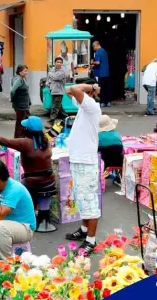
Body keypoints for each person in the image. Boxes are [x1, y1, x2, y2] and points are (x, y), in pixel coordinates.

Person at [0, 116, 55, 203]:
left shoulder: (24, 143)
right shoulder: (45, 141)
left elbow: (4, 141)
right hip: (49, 181)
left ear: (27, 129)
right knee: (44, 211)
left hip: (32, 183)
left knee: (15, 193)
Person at [64, 81, 102, 256]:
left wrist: (92, 88)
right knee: (81, 199)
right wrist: (90, 86)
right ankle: (84, 229)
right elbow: (68, 90)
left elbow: (73, 89)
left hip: (86, 162)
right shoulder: (82, 107)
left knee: (90, 203)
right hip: (78, 160)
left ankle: (91, 241)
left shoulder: (92, 107)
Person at [98, 115, 124, 184]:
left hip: (102, 162)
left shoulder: (98, 135)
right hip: (118, 161)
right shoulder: (117, 134)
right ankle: (120, 177)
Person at [10, 65, 31, 138]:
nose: (27, 73)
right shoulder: (18, 79)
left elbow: (26, 92)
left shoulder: (21, 78)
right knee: (20, 123)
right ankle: (18, 139)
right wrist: (13, 99)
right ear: (20, 72)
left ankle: (23, 137)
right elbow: (12, 91)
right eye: (25, 71)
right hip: (20, 105)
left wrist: (29, 101)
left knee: (25, 121)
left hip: (24, 105)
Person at [47, 57, 68, 127]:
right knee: (59, 108)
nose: (59, 63)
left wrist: (50, 74)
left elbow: (56, 77)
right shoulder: (52, 69)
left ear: (62, 64)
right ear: (54, 63)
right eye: (57, 62)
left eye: (60, 62)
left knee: (55, 107)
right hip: (53, 90)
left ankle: (51, 122)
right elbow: (49, 79)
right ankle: (67, 119)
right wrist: (48, 83)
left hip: (59, 91)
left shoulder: (63, 71)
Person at [92, 41, 111, 107]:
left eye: (93, 47)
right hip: (107, 73)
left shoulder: (97, 52)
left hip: (100, 74)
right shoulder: (105, 51)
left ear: (96, 45)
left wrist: (92, 62)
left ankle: (102, 102)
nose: (93, 48)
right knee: (107, 88)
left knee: (101, 89)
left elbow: (98, 62)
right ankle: (108, 102)